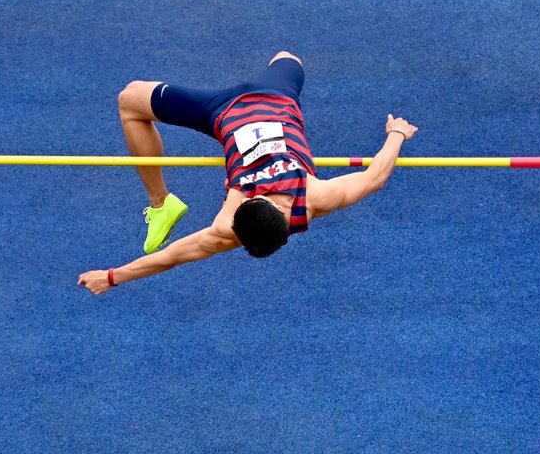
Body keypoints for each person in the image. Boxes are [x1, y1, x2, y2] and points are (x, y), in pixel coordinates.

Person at [77, 52, 417, 295]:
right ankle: (161, 203)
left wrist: (113, 276)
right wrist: (396, 135)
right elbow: (375, 177)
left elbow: (173, 257)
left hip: (221, 109)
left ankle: (161, 202)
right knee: (288, 58)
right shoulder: (313, 196)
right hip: (274, 98)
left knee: (130, 100)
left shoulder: (229, 225)